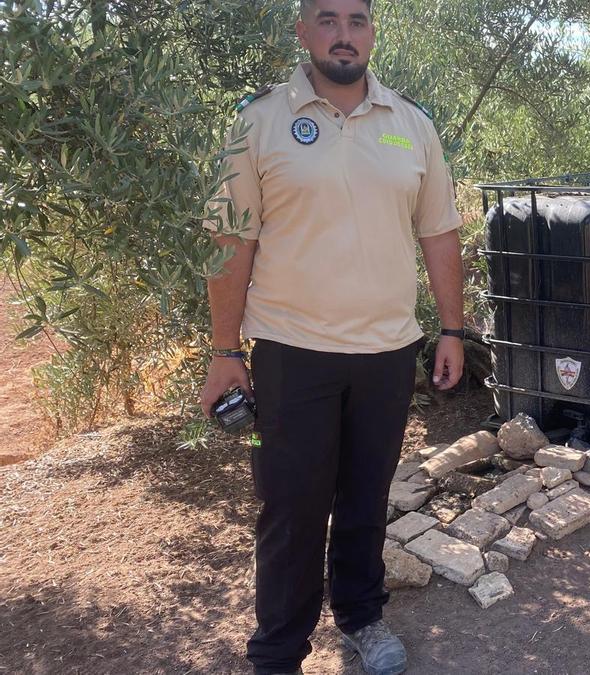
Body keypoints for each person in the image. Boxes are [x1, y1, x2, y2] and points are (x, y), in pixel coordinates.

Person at [199, 1, 464, 672]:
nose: (344, 35)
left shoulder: (411, 124)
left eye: (356, 20)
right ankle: (278, 650)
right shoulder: (258, 120)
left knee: (366, 495)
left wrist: (452, 330)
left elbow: (439, 233)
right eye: (327, 19)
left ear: (372, 33)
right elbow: (230, 242)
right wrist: (224, 352)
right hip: (291, 353)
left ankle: (361, 617)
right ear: (302, 32)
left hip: (386, 353)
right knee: (289, 506)